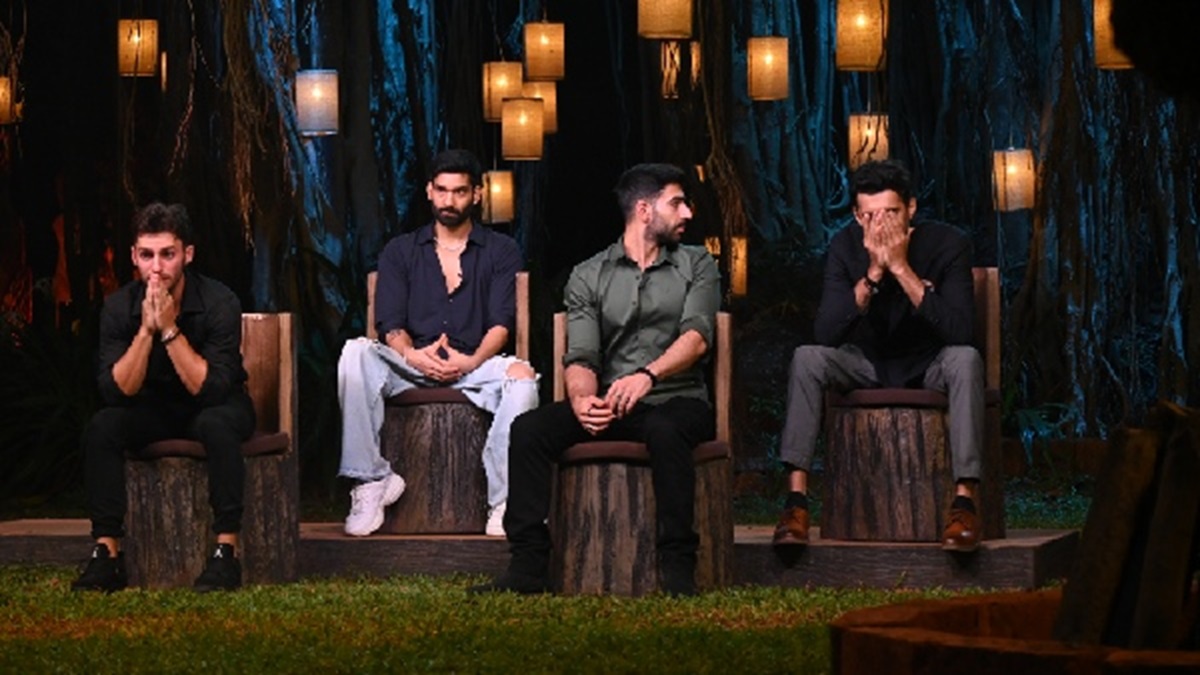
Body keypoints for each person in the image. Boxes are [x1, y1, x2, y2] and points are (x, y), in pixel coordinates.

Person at [471, 163, 720, 596]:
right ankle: (528, 566)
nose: (687, 213)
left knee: (666, 430)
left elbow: (697, 338)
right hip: (615, 403)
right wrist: (584, 400)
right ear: (644, 210)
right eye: (677, 203)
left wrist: (648, 375)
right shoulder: (589, 274)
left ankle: (678, 568)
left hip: (678, 399)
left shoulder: (697, 264)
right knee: (529, 429)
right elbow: (582, 356)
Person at [772, 159, 985, 552]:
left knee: (966, 360)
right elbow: (826, 332)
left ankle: (964, 503)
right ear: (857, 215)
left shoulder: (949, 244)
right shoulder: (844, 246)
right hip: (867, 362)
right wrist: (872, 274)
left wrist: (901, 269)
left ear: (911, 208)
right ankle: (796, 503)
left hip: (929, 362)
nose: (880, 224)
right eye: (870, 215)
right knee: (807, 357)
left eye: (890, 213)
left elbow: (960, 332)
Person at [337, 149, 537, 538]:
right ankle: (372, 480)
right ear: (429, 191)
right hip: (411, 364)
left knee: (523, 378)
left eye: (460, 192)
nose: (449, 201)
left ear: (477, 194)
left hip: (475, 365)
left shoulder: (500, 251)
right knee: (355, 351)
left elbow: (501, 324)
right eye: (442, 190)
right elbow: (390, 325)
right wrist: (413, 355)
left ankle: (504, 499)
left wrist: (470, 362)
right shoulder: (401, 251)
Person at [72, 203, 255, 593]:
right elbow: (116, 392)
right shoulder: (118, 307)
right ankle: (107, 554)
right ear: (133, 257)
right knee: (103, 425)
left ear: (187, 254)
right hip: (153, 409)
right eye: (147, 255)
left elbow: (211, 390)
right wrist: (145, 331)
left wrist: (169, 329)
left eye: (167, 254)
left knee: (217, 423)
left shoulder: (220, 302)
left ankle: (226, 552)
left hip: (215, 404)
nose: (156, 268)